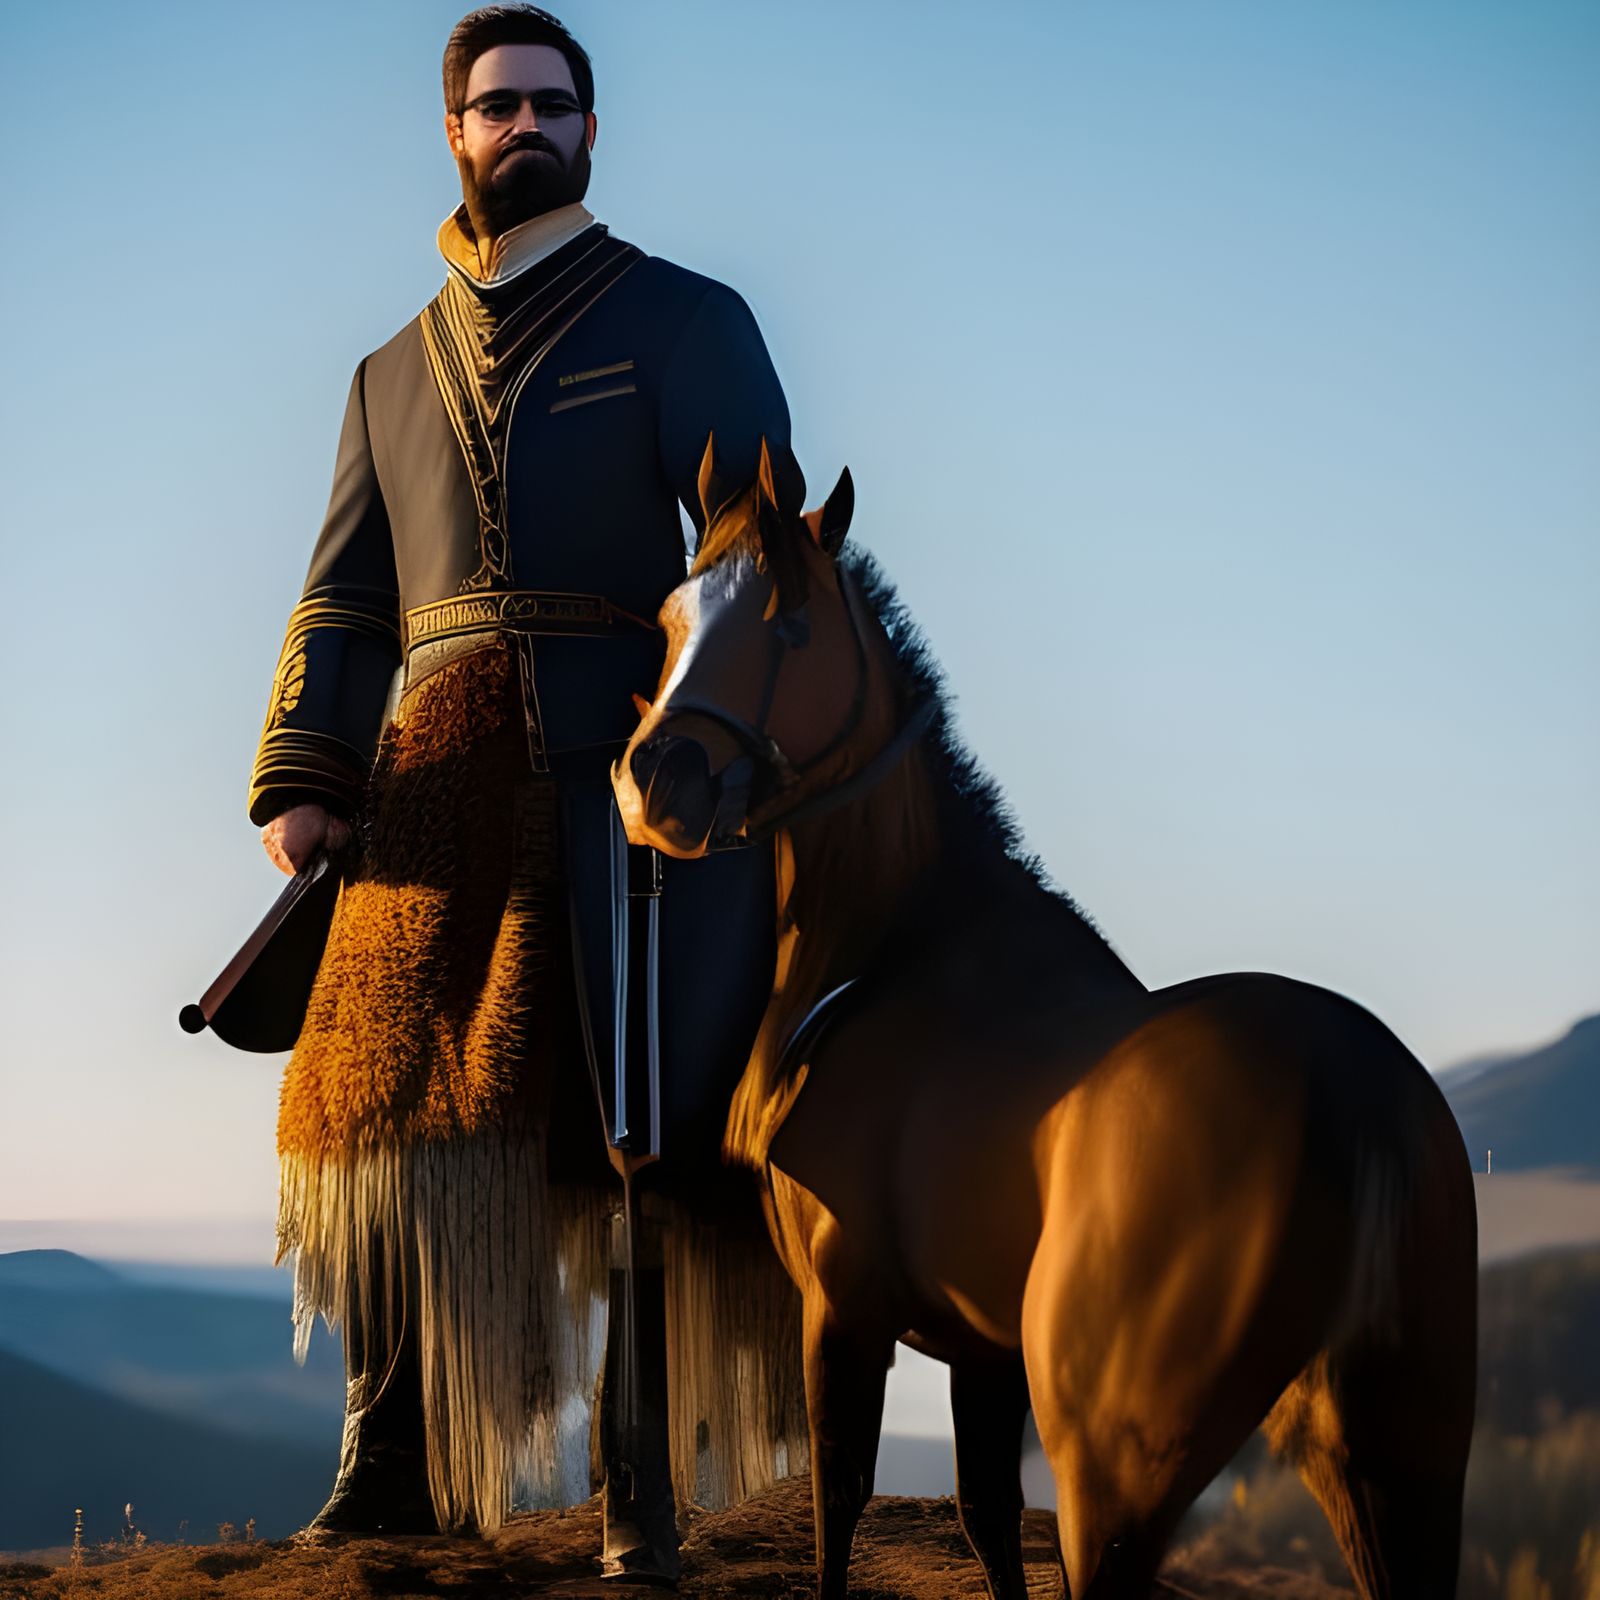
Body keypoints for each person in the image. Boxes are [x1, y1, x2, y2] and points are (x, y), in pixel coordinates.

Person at [249, 5, 806, 1576]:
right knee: (370, 1112)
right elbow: (341, 596)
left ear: (590, 129)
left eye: (554, 104)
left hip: (630, 785)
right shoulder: (383, 373)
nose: (525, 126)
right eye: (497, 106)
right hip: (426, 785)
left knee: (644, 1116)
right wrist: (303, 772)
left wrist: (710, 752)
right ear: (454, 133)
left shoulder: (691, 317)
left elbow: (754, 562)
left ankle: (646, 1477)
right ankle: (391, 1463)